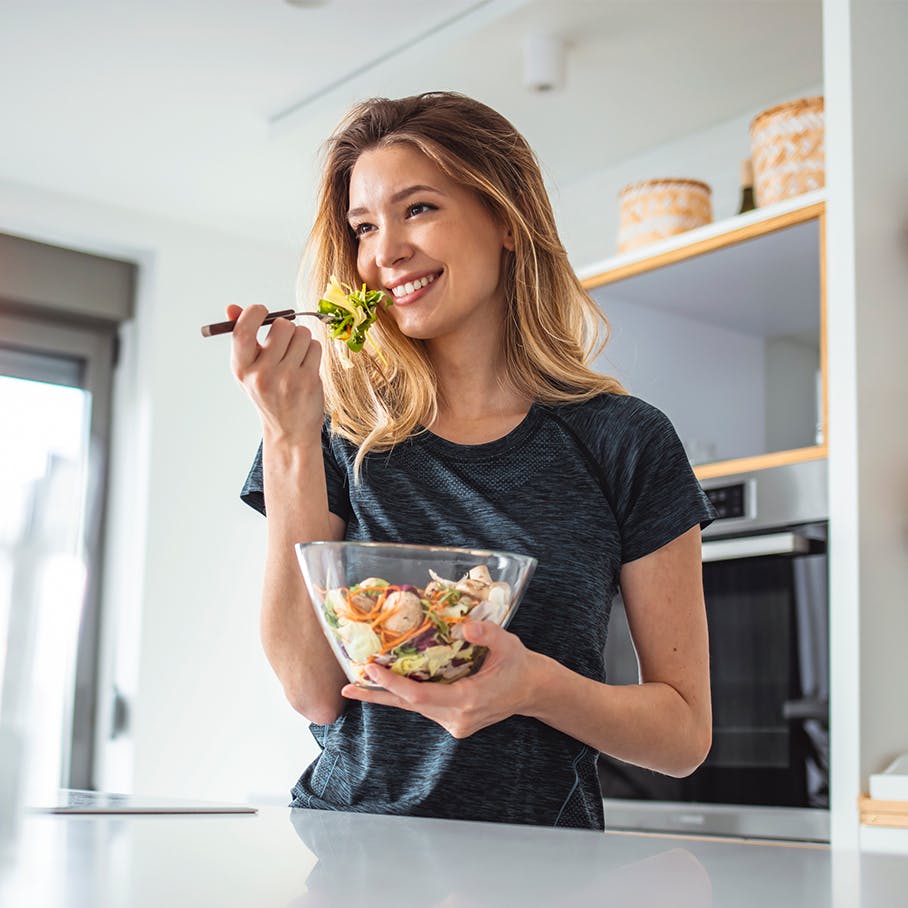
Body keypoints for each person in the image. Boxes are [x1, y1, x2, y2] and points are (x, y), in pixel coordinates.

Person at [230, 91, 717, 831]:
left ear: (507, 219)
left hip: (543, 869)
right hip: (353, 851)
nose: (384, 252)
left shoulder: (627, 442)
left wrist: (532, 687)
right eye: (364, 227)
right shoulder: (332, 429)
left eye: (418, 208)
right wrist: (288, 438)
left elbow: (683, 737)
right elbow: (313, 690)